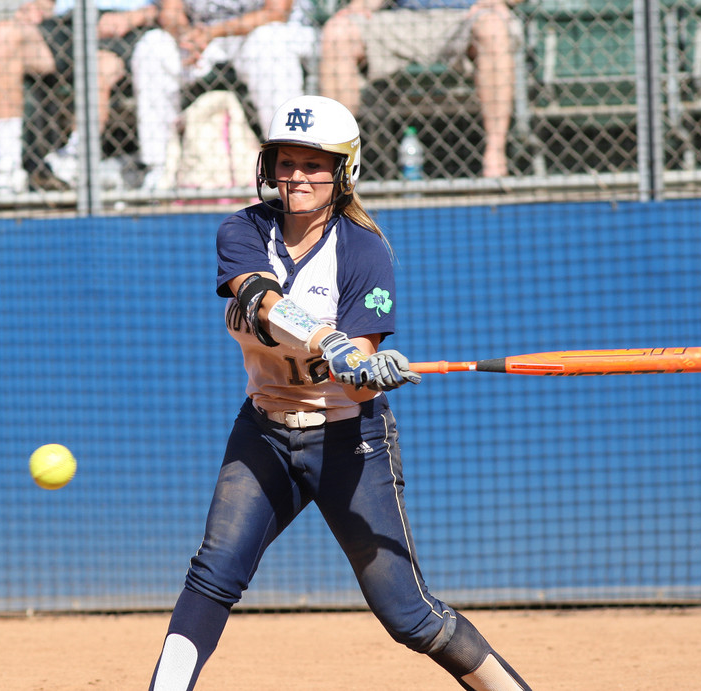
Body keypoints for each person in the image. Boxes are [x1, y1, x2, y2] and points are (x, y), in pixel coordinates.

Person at [147, 94, 532, 690]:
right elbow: (258, 297)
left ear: (344, 170)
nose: (295, 175)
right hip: (265, 432)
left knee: (410, 616)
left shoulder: (363, 250)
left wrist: (369, 369)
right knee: (213, 574)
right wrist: (331, 341)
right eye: (285, 161)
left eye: (313, 163)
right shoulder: (243, 229)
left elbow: (356, 380)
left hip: (349, 441)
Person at [130, 0, 318, 191]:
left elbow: (277, 12)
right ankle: (159, 169)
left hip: (266, 30)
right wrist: (188, 37)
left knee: (269, 43)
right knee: (152, 46)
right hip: (202, 37)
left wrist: (213, 32)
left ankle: (288, 160)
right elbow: (171, 12)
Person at [318, 0, 519, 178]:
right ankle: (336, 161)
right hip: (402, 19)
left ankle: (495, 156)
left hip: (466, 15)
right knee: (338, 31)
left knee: (493, 27)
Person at [0, 0, 158, 193]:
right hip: (69, 23)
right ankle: (8, 168)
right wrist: (36, 7)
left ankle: (73, 160)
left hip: (126, 27)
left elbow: (173, 10)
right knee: (4, 34)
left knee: (98, 66)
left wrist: (138, 16)